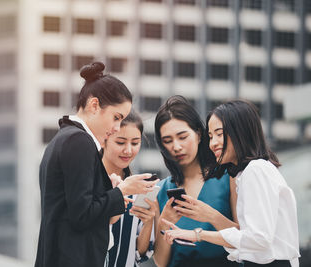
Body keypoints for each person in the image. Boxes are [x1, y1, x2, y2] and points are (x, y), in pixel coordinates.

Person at [34, 62, 159, 267]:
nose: (116, 127)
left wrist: (108, 191)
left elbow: (75, 208)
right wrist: (122, 191)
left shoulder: (64, 138)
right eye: (116, 117)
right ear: (94, 105)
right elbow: (82, 215)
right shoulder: (79, 142)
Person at [162, 100, 300, 267]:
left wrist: (198, 234)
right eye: (211, 136)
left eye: (219, 134)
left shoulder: (255, 170)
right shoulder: (249, 172)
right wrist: (209, 217)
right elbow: (249, 239)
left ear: (240, 132)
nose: (213, 144)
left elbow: (258, 239)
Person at [152, 95, 240, 267]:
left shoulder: (228, 177)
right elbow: (161, 263)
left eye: (182, 137)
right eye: (167, 141)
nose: (176, 147)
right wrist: (163, 223)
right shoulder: (160, 190)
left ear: (199, 135)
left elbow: (244, 238)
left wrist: (210, 215)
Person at [102, 110, 158, 267]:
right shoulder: (90, 184)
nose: (128, 150)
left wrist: (148, 222)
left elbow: (140, 253)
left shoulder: (141, 189)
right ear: (104, 140)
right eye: (120, 142)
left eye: (135, 143)